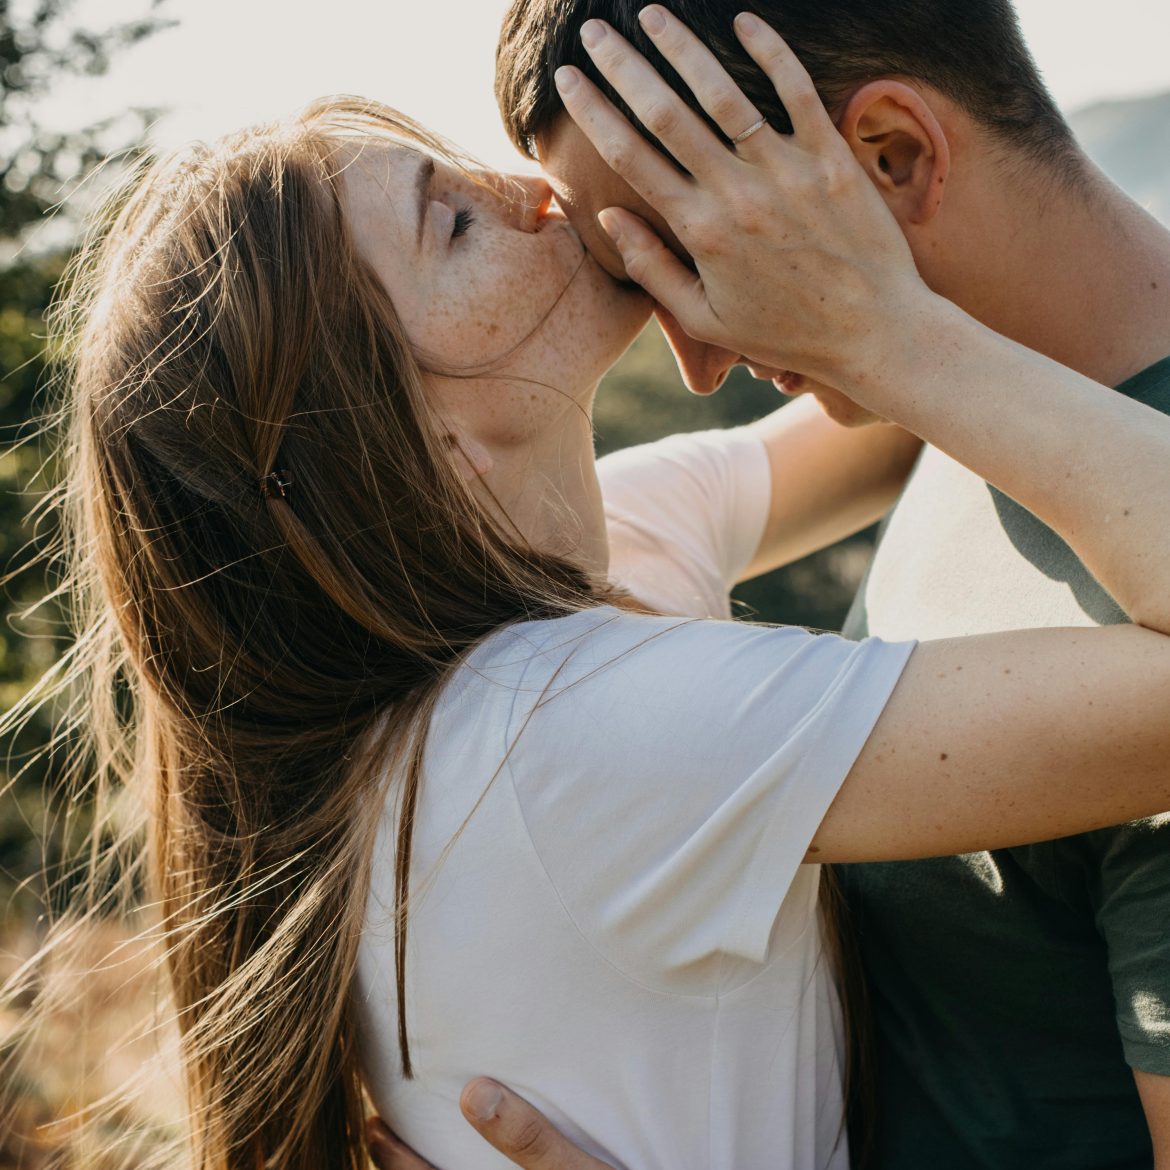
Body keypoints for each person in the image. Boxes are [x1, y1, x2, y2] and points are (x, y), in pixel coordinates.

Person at [28, 29, 1170, 1170]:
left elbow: (887, 416)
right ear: (406, 439)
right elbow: (903, 368)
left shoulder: (585, 565)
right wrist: (883, 324)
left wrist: (854, 292)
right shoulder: (572, 729)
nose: (529, 194)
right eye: (455, 220)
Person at [379, 1, 1170, 1167]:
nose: (697, 361)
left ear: (890, 157)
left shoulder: (939, 377)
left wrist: (887, 337)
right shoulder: (960, 404)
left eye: (697, 248)